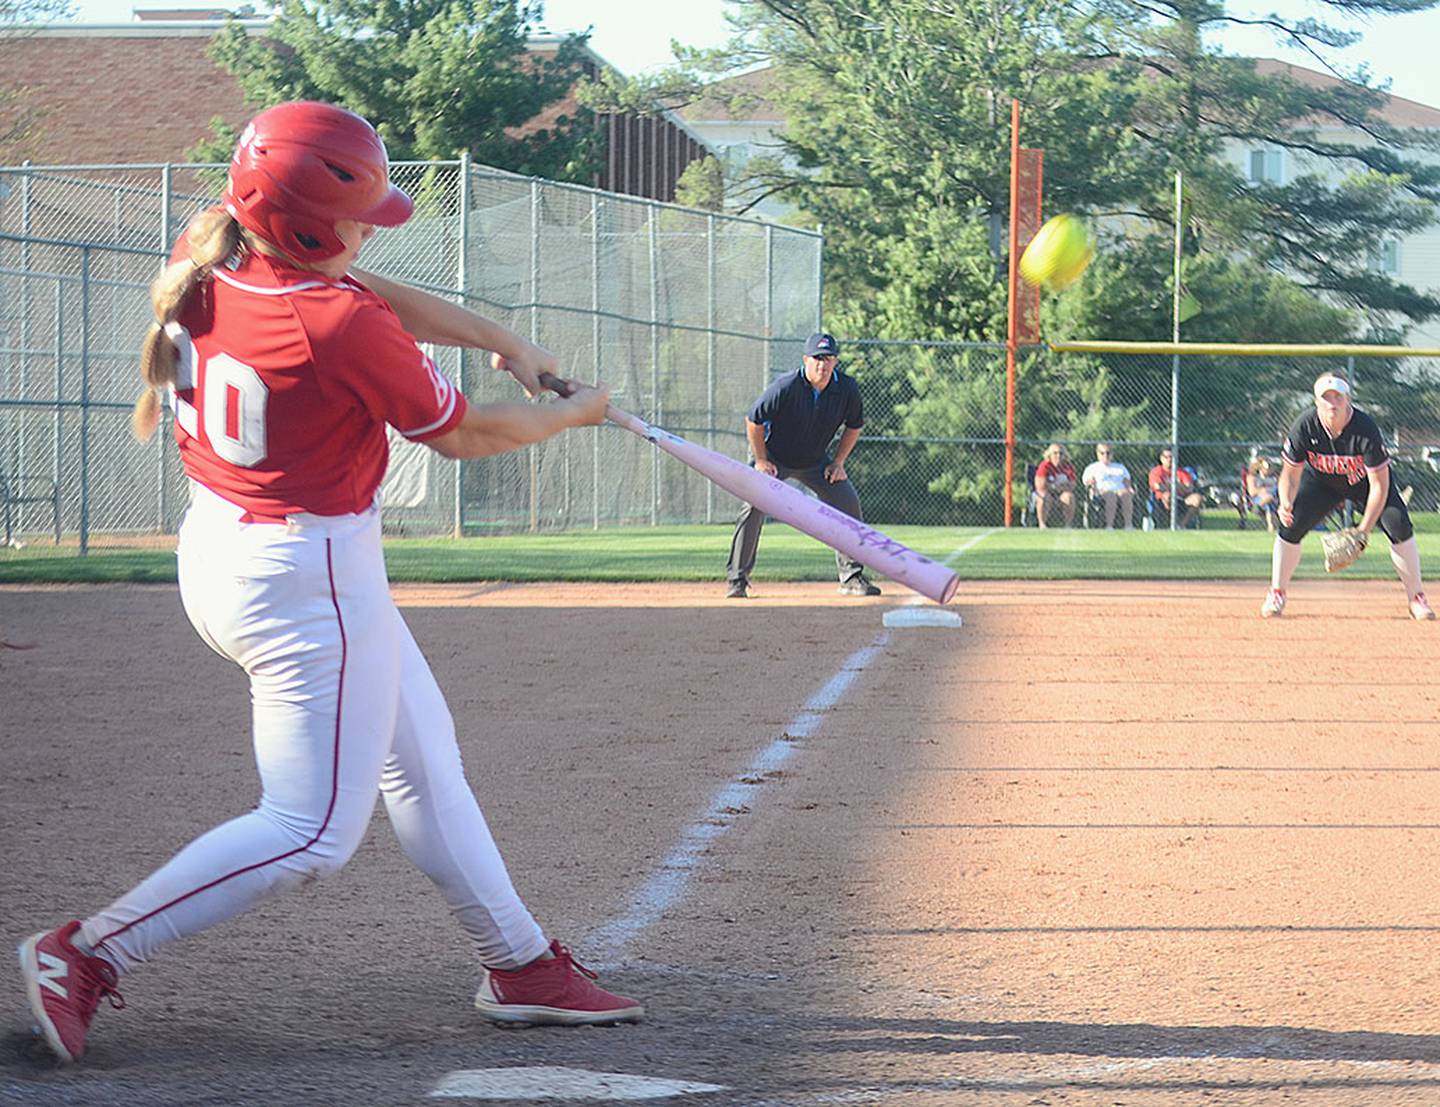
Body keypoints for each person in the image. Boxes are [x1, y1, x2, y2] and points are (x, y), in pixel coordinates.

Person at [17, 101, 643, 1066]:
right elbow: (469, 435)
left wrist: (499, 337)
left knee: (425, 760)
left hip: (229, 551)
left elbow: (367, 286)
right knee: (310, 829)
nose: (369, 227)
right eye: (355, 214)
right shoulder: (335, 321)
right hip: (308, 581)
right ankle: (88, 950)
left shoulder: (216, 249)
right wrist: (573, 415)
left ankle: (519, 961)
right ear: (308, 224)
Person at [1261, 373, 1434, 620]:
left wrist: (1363, 529)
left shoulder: (1365, 428)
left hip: (1364, 484)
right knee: (1290, 525)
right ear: (1317, 402)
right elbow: (1289, 475)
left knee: (1399, 525)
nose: (1332, 403)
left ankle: (1416, 598)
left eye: (1338, 397)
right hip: (1322, 482)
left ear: (1348, 400)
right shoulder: (1305, 426)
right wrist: (1286, 502)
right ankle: (1276, 593)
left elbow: (1380, 485)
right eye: (1326, 398)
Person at [724, 332, 880, 598]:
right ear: (806, 360)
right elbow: (753, 420)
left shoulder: (846, 389)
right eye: (818, 358)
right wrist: (761, 460)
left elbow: (855, 426)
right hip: (775, 459)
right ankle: (737, 580)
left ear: (835, 361)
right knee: (752, 506)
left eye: (829, 358)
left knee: (848, 503)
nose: (823, 364)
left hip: (816, 461)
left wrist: (839, 462)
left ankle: (852, 577)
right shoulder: (786, 386)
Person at [1148, 447, 1205, 529]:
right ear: (1161, 458)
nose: (1169, 459)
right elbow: (1158, 486)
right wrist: (1178, 486)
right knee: (1168, 495)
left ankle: (1181, 526)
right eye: (1166, 457)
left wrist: (1169, 486)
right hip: (1163, 501)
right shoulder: (1156, 471)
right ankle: (1169, 524)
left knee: (1197, 498)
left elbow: (1189, 488)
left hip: (1182, 500)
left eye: (1171, 457)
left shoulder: (1182, 472)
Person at [1081, 442, 1135, 529]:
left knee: (1126, 494)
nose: (1105, 455)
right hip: (1101, 493)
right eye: (1102, 453)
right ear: (1097, 454)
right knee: (1111, 495)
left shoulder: (1120, 467)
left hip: (1119, 491)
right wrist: (1095, 489)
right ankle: (1109, 526)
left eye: (1108, 453)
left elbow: (1127, 482)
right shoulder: (1092, 468)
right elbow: (1089, 483)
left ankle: (1128, 525)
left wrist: (1129, 489)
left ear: (1112, 454)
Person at [1033, 443, 1078, 528]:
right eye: (1055, 453)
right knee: (1043, 496)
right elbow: (1040, 486)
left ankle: (1068, 525)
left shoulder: (1068, 466)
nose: (1058, 456)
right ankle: (1042, 524)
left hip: (1061, 494)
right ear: (1049, 454)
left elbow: (1072, 485)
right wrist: (1059, 486)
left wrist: (1053, 486)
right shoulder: (1045, 466)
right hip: (1047, 493)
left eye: (1061, 453)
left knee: (1069, 496)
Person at [1245, 455, 1280, 533]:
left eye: (1270, 467)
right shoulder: (1253, 477)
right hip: (1257, 499)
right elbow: (1252, 492)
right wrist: (1263, 491)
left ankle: (1271, 526)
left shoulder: (1275, 478)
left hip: (1274, 499)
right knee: (1269, 500)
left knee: (1270, 500)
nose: (1269, 469)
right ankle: (1272, 526)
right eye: (1267, 468)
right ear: (1260, 467)